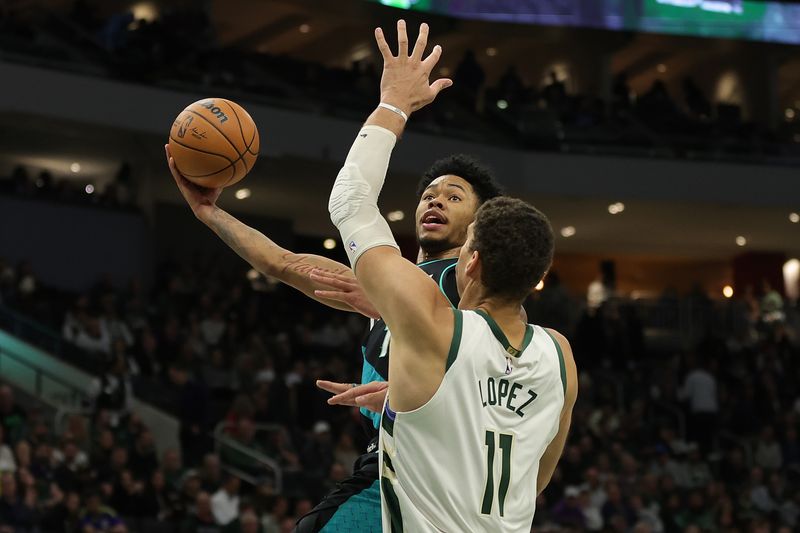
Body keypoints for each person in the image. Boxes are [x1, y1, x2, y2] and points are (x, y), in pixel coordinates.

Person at [166, 60, 503, 533]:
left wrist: (414, 389)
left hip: (432, 465)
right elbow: (281, 263)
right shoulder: (386, 280)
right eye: (428, 194)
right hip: (394, 461)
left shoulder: (474, 281)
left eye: (452, 195)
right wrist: (208, 213)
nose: (434, 200)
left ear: (480, 221)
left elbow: (489, 357)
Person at [324, 20, 578, 532]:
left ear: (472, 261)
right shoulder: (560, 355)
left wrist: (394, 101)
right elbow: (535, 478)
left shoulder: (436, 325)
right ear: (537, 277)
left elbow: (350, 202)